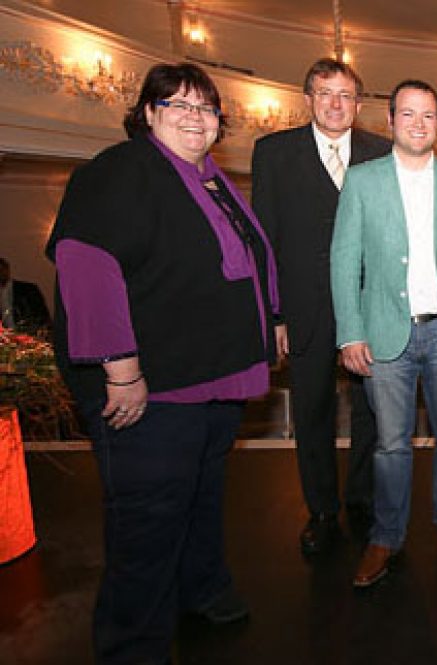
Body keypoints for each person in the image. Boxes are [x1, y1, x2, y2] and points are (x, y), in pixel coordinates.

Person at [46, 63, 279, 664]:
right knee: (146, 524)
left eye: (205, 108)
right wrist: (120, 370)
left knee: (201, 497)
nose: (194, 118)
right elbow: (86, 265)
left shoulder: (209, 178)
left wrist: (271, 320)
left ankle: (200, 589)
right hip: (153, 389)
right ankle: (132, 648)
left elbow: (249, 258)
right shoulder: (120, 172)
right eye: (177, 105)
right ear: (148, 113)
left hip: (212, 378)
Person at [331, 80, 437, 586]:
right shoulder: (361, 182)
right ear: (390, 120)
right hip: (383, 336)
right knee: (389, 446)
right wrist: (349, 332)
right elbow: (343, 259)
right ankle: (385, 536)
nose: (419, 123)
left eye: (429, 115)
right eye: (409, 114)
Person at [251, 58, 391, 555]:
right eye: (325, 93)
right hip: (304, 308)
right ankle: (322, 510)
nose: (336, 104)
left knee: (372, 411)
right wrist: (275, 315)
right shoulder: (272, 152)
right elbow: (263, 239)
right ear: (307, 99)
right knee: (312, 412)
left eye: (346, 95)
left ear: (358, 102)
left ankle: (361, 497)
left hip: (371, 309)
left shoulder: (383, 151)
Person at [0, 256, 51, 334]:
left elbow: (42, 314)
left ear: (7, 270)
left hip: (27, 335)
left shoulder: (28, 289)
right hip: (5, 339)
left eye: (1, 269)